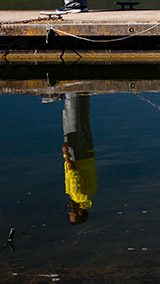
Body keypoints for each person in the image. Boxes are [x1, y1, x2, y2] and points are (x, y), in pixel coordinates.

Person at [62, 92, 97, 225]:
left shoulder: (90, 195)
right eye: (72, 212)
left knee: (82, 118)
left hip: (88, 155)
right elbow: (73, 172)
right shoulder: (78, 196)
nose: (69, 209)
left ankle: (83, 90)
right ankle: (72, 89)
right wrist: (66, 155)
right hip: (77, 156)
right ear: (80, 212)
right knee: (72, 115)